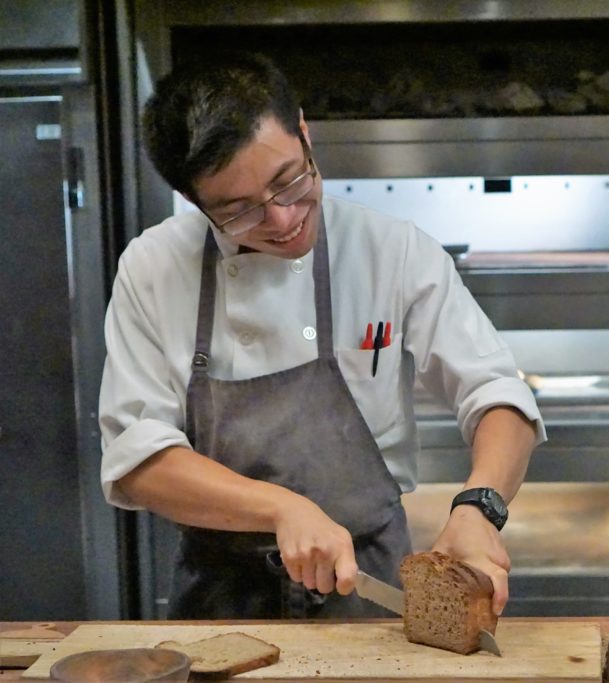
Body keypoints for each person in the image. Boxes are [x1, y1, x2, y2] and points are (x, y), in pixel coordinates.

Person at [98, 53, 545, 619]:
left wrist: (479, 507)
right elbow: (136, 458)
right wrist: (278, 507)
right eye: (240, 211)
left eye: (290, 181)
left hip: (366, 587)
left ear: (304, 132)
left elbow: (497, 394)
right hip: (220, 598)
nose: (283, 221)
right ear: (193, 201)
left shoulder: (392, 250)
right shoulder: (154, 266)